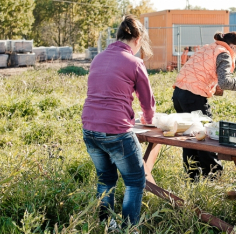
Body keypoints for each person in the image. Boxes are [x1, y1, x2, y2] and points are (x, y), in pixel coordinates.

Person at [81, 15, 155, 230]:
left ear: (118, 36)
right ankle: (128, 228)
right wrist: (149, 121)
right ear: (137, 38)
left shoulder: (98, 58)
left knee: (105, 180)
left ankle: (106, 225)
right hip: (116, 130)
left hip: (90, 128)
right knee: (134, 181)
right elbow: (147, 101)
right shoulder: (134, 62)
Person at [172, 31, 236, 181]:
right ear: (232, 46)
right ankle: (213, 177)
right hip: (193, 96)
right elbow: (225, 82)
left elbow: (204, 75)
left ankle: (192, 177)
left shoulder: (209, 48)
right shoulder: (224, 53)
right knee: (207, 135)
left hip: (179, 94)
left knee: (190, 136)